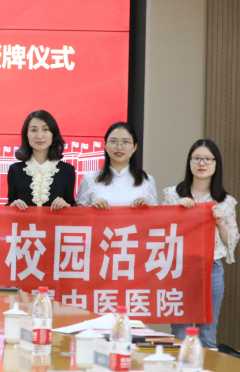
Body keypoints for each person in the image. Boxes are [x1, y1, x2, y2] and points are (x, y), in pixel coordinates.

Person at [163, 139, 237, 349]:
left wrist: (220, 222)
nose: (202, 163)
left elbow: (231, 239)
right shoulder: (173, 195)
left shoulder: (225, 201)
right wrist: (176, 211)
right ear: (189, 163)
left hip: (211, 268)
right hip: (180, 267)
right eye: (196, 158)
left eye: (207, 159)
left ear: (216, 164)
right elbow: (161, 231)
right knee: (180, 331)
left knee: (207, 332)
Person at [76, 122, 156, 209]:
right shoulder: (89, 179)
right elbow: (78, 216)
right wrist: (91, 208)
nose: (119, 147)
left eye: (126, 142)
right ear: (105, 145)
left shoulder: (147, 180)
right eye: (113, 141)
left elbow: (156, 216)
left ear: (134, 147)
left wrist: (147, 209)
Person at [7, 110, 76, 210]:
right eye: (33, 130)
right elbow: (9, 206)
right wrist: (12, 206)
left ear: (53, 134)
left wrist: (66, 206)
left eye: (45, 129)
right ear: (26, 135)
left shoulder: (67, 170)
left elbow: (72, 207)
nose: (39, 136)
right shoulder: (15, 169)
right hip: (24, 221)